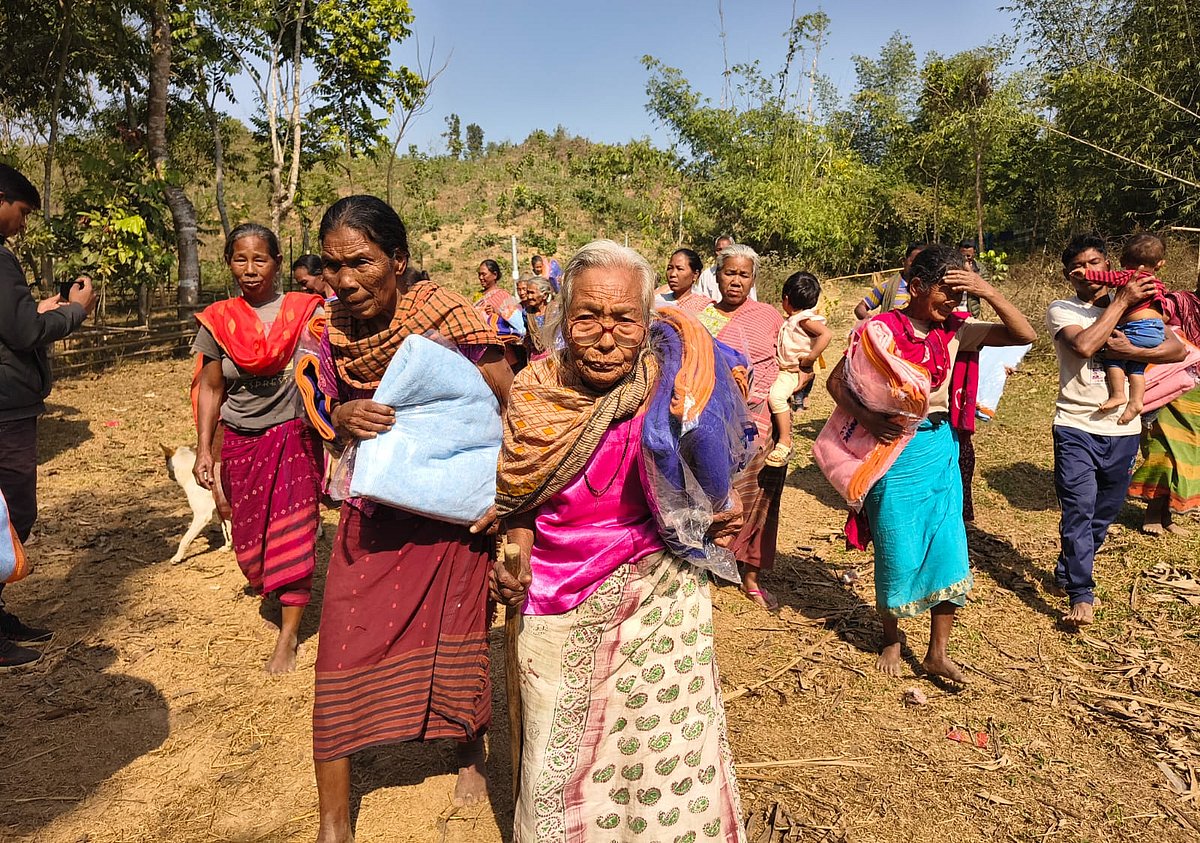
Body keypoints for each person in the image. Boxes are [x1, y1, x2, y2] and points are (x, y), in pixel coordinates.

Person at [491, 239, 746, 843]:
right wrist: (515, 541)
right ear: (562, 315)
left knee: (663, 754)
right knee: (558, 751)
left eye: (624, 318)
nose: (605, 334)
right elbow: (518, 499)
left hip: (659, 599)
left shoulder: (672, 388)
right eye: (586, 316)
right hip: (555, 597)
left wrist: (719, 510)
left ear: (647, 319)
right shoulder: (533, 393)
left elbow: (718, 477)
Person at [312, 196, 512, 842]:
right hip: (375, 502)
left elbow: (508, 397)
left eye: (361, 262)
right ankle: (334, 821)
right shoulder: (329, 328)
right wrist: (340, 417)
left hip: (454, 508)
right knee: (341, 643)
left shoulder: (450, 314)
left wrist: (507, 499)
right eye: (333, 265)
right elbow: (314, 395)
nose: (345, 280)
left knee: (461, 629)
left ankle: (468, 755)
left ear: (398, 260)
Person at [828, 243, 1036, 679]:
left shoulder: (956, 331)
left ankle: (936, 652)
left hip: (939, 444)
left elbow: (1025, 335)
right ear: (918, 286)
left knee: (948, 546)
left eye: (962, 293)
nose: (956, 302)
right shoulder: (880, 330)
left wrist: (988, 290)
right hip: (893, 453)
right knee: (896, 544)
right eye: (948, 291)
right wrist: (868, 416)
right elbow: (836, 382)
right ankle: (891, 637)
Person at [191, 223, 325, 675]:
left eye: (260, 259)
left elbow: (327, 366)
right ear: (229, 262)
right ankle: (272, 580)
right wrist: (205, 449)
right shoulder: (218, 320)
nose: (250, 269)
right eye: (240, 259)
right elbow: (211, 390)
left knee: (295, 530)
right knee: (250, 539)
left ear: (278, 263)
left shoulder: (305, 311)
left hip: (292, 433)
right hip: (240, 440)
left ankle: (288, 637)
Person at [1047, 234, 1184, 627]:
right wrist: (1121, 301)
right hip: (1076, 425)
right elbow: (1087, 346)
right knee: (1078, 508)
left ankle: (1069, 568)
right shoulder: (1063, 310)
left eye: (1096, 263)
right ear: (1069, 277)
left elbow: (1176, 349)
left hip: (1123, 430)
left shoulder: (1138, 307)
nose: (1090, 273)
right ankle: (1081, 593)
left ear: (1107, 264)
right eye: (1081, 268)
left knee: (1103, 514)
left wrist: (1134, 351)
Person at [0, 163, 97, 668]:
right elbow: (21, 335)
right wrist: (75, 310)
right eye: (21, 213)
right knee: (11, 512)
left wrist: (34, 310)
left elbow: (10, 323)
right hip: (5, 409)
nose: (21, 225)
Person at [696, 244, 784, 609]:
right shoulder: (702, 316)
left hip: (760, 419)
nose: (736, 281)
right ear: (716, 276)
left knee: (760, 496)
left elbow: (789, 362)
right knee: (710, 493)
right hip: (710, 421)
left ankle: (750, 573)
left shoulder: (768, 316)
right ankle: (708, 561)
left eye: (743, 274)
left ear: (753, 279)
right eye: (729, 273)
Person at [1069, 233, 1167, 425]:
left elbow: (1109, 279)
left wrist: (1086, 274)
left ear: (1120, 261)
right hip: (1155, 331)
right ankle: (1137, 401)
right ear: (1160, 264)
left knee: (1113, 357)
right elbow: (1164, 307)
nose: (1088, 268)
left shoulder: (1131, 277)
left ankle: (1119, 394)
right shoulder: (1156, 284)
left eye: (1094, 263)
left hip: (1136, 330)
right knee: (1137, 368)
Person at [1130, 272, 1200, 534]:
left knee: (1189, 456)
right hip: (1171, 388)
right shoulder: (1181, 302)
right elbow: (1152, 317)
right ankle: (1151, 515)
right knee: (1163, 450)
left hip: (1197, 397)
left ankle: (1167, 516)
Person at [766, 272, 832, 467]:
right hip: (786, 368)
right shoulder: (793, 320)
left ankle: (785, 441)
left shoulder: (803, 320)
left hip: (793, 371)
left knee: (776, 397)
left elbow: (826, 335)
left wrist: (810, 359)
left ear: (786, 299)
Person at [853, 243, 922, 320]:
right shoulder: (887, 287)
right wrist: (869, 319)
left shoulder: (929, 290)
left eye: (922, 263)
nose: (917, 266)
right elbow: (860, 308)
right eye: (914, 262)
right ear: (903, 261)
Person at [655, 247, 714, 314]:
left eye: (680, 269)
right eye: (670, 268)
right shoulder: (658, 301)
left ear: (695, 275)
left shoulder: (705, 308)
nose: (672, 274)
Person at [516, 273, 553, 360]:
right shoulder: (526, 313)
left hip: (555, 355)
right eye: (528, 292)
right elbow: (528, 335)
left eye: (532, 293)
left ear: (544, 295)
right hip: (535, 357)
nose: (529, 296)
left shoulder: (555, 311)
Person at [957, 240, 988, 318]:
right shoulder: (951, 266)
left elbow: (985, 289)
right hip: (952, 311)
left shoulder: (980, 268)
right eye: (962, 255)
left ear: (974, 252)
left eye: (968, 256)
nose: (965, 258)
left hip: (970, 311)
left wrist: (969, 271)